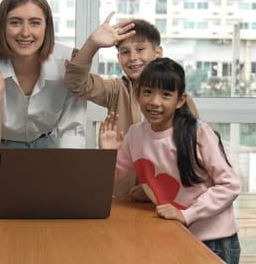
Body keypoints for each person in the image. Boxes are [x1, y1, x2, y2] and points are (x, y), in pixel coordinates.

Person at [99, 57, 241, 264]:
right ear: (138, 95)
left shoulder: (199, 133)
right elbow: (114, 179)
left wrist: (187, 213)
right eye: (147, 92)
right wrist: (107, 154)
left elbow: (230, 185)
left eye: (166, 95)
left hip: (214, 240)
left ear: (180, 100)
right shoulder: (135, 134)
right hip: (172, 232)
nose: (155, 102)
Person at [0, 0, 86, 196]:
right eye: (15, 22)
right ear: (2, 27)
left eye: (35, 23)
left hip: (49, 152)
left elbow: (72, 129)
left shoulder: (68, 63)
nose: (25, 33)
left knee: (47, 225)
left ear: (47, 27)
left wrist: (68, 176)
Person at [65, 12, 199, 196]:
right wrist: (92, 44)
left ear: (158, 52)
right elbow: (76, 83)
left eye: (140, 49)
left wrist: (153, 190)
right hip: (123, 196)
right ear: (118, 57)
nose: (133, 58)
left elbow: (191, 154)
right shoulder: (116, 90)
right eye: (125, 52)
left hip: (168, 198)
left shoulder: (179, 100)